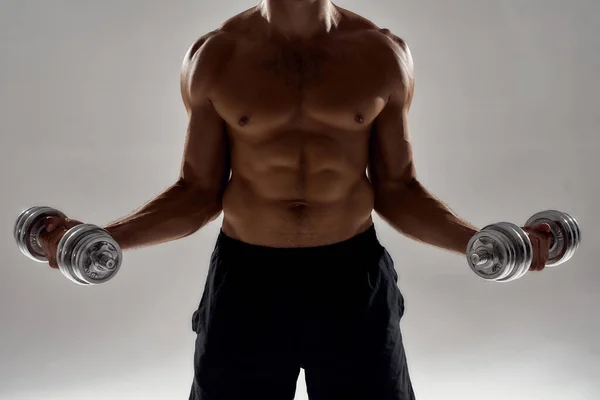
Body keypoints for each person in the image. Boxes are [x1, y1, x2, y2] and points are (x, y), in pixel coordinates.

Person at [38, 0, 553, 399]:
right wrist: (103, 239)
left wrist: (481, 243)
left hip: (352, 281)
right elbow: (198, 190)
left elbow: (397, 189)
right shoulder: (217, 56)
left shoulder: (380, 53)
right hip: (247, 283)